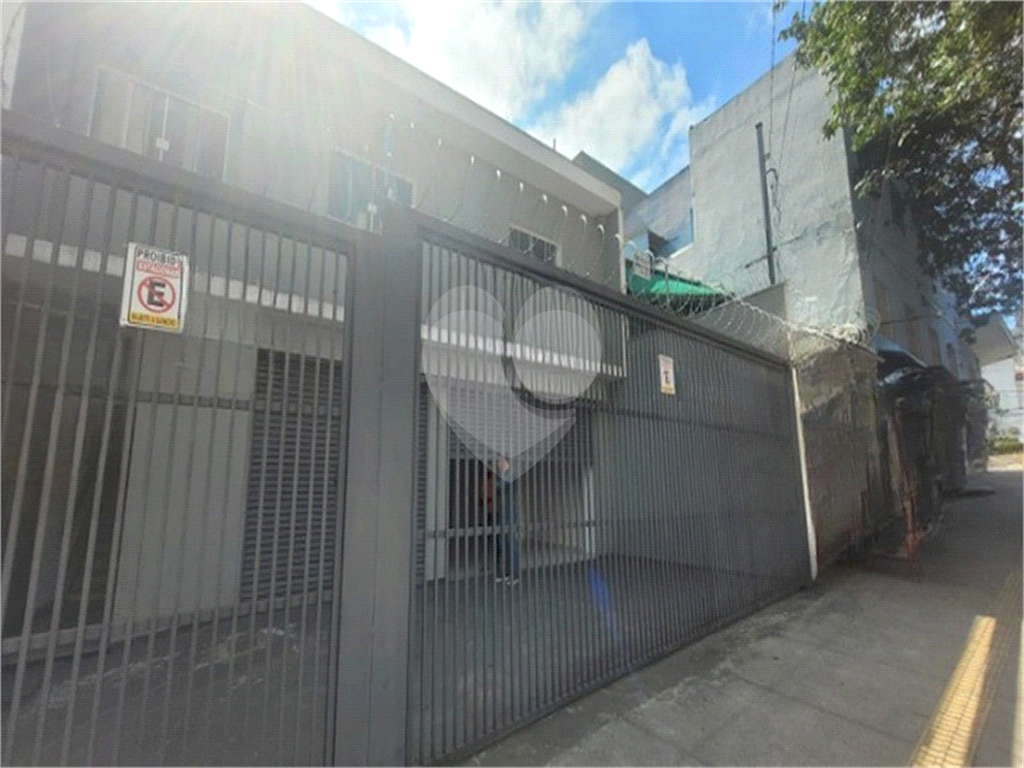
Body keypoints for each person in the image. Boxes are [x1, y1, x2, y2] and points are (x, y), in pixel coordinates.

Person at [492, 456, 521, 585]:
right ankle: (502, 571)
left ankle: (514, 574)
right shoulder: (500, 476)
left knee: (511, 542)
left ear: (508, 463)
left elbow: (501, 487)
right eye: (498, 462)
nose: (499, 464)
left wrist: (500, 475)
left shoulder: (511, 476)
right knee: (500, 542)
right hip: (500, 510)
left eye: (502, 462)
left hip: (509, 511)